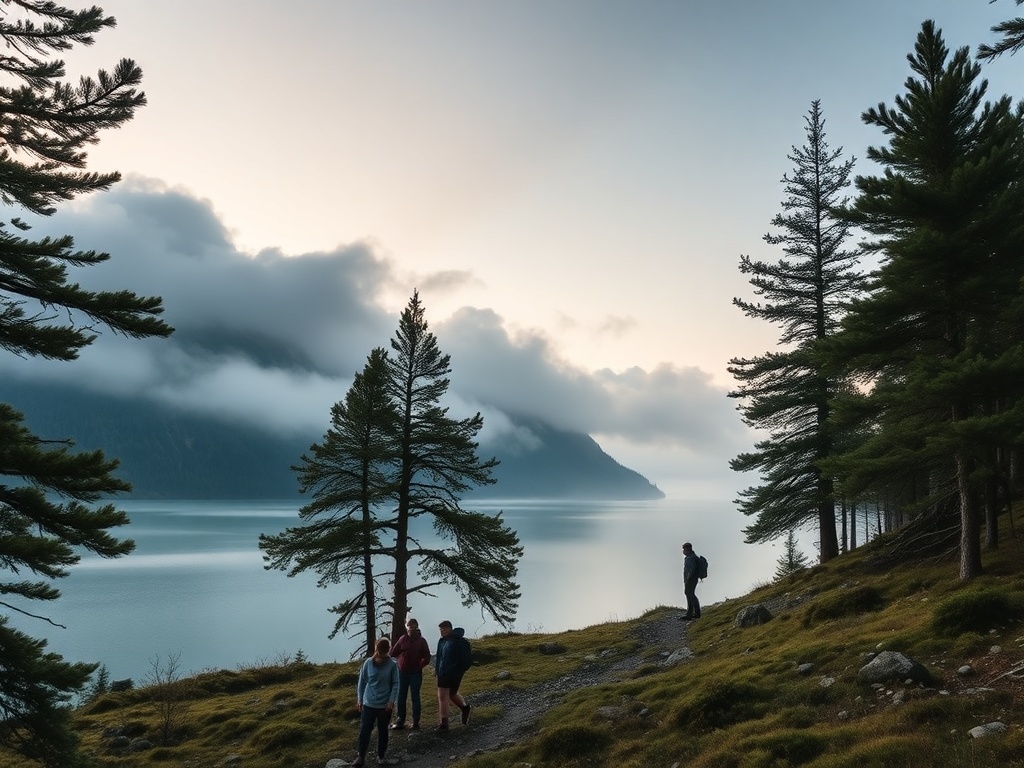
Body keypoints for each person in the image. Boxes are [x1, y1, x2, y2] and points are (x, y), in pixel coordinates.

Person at [354, 637, 400, 767]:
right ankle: (361, 756)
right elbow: (362, 682)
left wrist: (391, 701)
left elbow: (396, 683)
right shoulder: (368, 663)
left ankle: (381, 755)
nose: (383, 654)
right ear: (377, 649)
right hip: (369, 703)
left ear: (388, 650)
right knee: (365, 730)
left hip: (384, 705)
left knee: (383, 730)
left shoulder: (392, 664)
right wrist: (360, 699)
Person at [389, 617, 432, 730]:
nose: (411, 629)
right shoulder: (403, 639)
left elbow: (427, 657)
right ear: (407, 628)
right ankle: (400, 720)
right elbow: (393, 652)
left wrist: (419, 666)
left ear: (417, 628)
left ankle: (416, 722)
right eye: (410, 627)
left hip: (415, 673)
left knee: (415, 696)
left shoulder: (421, 641)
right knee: (401, 696)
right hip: (402, 672)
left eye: (414, 627)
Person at [434, 619, 472, 730]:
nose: (442, 631)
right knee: (450, 694)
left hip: (452, 673)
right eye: (440, 630)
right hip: (443, 672)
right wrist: (437, 670)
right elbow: (439, 658)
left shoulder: (457, 641)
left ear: (450, 629)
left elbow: (464, 660)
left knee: (443, 695)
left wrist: (456, 669)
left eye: (444, 629)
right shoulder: (442, 641)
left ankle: (444, 723)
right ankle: (465, 708)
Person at [680, 541, 702, 620]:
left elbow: (690, 570)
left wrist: (688, 580)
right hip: (693, 579)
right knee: (691, 594)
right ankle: (695, 613)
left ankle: (690, 614)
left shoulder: (690, 558)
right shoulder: (692, 556)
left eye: (684, 549)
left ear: (687, 549)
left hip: (690, 579)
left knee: (689, 595)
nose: (683, 551)